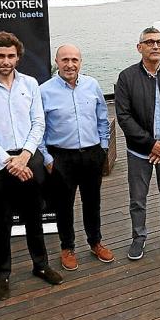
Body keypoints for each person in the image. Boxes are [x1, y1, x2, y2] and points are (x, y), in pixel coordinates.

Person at [0, 31, 62, 301]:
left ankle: (41, 265)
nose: (6, 61)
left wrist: (24, 156)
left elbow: (38, 123)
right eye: (1, 56)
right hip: (0, 164)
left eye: (11, 56)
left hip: (28, 157)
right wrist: (9, 161)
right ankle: (2, 275)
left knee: (35, 218)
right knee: (2, 224)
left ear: (18, 57)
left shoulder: (31, 84)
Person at [115, 27, 160, 260]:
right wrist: (150, 144)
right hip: (139, 152)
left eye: (159, 42)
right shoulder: (126, 77)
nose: (155, 46)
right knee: (138, 197)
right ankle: (139, 237)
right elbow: (124, 117)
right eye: (149, 42)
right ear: (140, 48)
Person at [39, 44, 114, 271]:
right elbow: (38, 127)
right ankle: (67, 247)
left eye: (74, 60)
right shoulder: (44, 91)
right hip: (61, 157)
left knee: (93, 202)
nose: (70, 64)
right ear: (57, 61)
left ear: (80, 61)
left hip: (92, 154)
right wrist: (47, 158)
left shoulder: (92, 85)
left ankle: (95, 242)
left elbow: (103, 118)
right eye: (65, 60)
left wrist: (103, 148)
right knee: (64, 205)